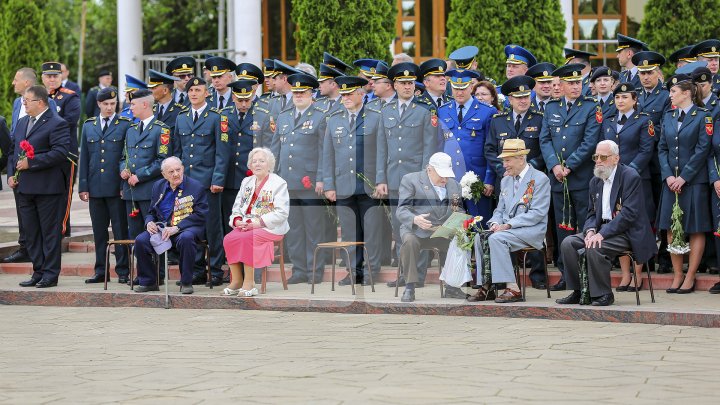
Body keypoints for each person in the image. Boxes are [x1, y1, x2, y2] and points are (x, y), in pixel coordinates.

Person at [556, 140, 656, 306]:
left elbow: (629, 215)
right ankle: (579, 290)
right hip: (602, 228)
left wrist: (601, 234)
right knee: (569, 243)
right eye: (596, 157)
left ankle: (604, 294)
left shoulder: (630, 177)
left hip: (627, 232)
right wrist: (589, 231)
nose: (598, 161)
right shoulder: (595, 181)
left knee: (595, 247)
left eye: (603, 157)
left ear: (616, 159)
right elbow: (591, 213)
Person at [376, 62, 438, 289]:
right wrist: (381, 179)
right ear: (394, 85)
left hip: (416, 179)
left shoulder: (423, 111)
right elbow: (382, 148)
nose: (407, 87)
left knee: (419, 227)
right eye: (402, 83)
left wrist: (424, 180)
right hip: (394, 179)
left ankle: (417, 275)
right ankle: (404, 274)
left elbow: (428, 147)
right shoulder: (387, 112)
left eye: (410, 83)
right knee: (399, 229)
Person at [539, 63, 600, 291]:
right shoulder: (552, 108)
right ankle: (567, 274)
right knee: (563, 228)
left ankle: (586, 274)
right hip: (558, 179)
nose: (575, 87)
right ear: (561, 85)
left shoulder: (590, 107)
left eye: (578, 82)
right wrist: (555, 165)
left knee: (585, 225)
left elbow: (590, 141)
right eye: (571, 83)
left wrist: (569, 166)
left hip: (581, 177)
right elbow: (544, 140)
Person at [484, 75, 547, 289]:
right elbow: (490, 149)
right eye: (518, 97)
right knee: (497, 226)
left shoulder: (540, 118)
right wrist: (505, 168)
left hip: (531, 175)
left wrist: (526, 168)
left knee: (525, 219)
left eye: (526, 96)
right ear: (509, 99)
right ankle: (493, 283)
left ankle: (537, 277)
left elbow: (544, 148)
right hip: (507, 177)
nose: (523, 101)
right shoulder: (498, 120)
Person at [322, 75, 384, 286]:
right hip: (343, 185)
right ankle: (353, 271)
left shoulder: (375, 117)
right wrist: (329, 185)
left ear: (361, 94)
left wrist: (380, 181)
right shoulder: (335, 119)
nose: (345, 98)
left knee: (371, 230)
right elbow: (327, 155)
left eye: (349, 94)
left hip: (368, 185)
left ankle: (370, 270)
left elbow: (382, 153)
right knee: (349, 232)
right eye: (343, 94)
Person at [9, 85, 71, 288]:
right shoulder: (22, 123)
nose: (23, 103)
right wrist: (11, 174)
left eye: (27, 100)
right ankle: (38, 271)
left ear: (41, 102)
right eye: (24, 100)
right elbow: (13, 150)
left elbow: (60, 152)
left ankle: (51, 274)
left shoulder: (57, 123)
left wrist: (31, 163)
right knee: (31, 233)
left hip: (47, 188)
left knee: (49, 233)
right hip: (24, 188)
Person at [473, 139, 551, 303]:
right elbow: (499, 210)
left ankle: (513, 288)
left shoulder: (539, 179)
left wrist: (508, 225)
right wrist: (495, 223)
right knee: (479, 237)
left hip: (531, 229)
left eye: (507, 160)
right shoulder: (506, 180)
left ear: (521, 159)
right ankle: (486, 286)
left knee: (496, 239)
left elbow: (537, 213)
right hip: (507, 229)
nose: (504, 164)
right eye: (503, 160)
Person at [271, 73, 329, 284]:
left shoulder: (320, 116)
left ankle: (314, 270)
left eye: (303, 92)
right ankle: (299, 270)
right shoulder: (284, 116)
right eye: (295, 92)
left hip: (310, 182)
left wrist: (322, 179)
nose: (298, 96)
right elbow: (275, 150)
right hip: (287, 181)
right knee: (294, 228)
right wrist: (273, 178)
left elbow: (325, 151)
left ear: (311, 93)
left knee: (314, 228)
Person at [657, 74, 712, 294]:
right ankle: (678, 274)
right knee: (672, 226)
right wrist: (669, 176)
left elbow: (702, 149)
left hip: (694, 181)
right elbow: (662, 148)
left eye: (673, 92)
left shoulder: (703, 116)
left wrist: (684, 176)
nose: (670, 95)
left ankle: (690, 275)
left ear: (687, 93)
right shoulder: (668, 116)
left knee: (696, 227)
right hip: (671, 182)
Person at [174, 76, 230, 286]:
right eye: (191, 91)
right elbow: (178, 151)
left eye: (198, 90)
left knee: (212, 227)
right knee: (190, 228)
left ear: (207, 93)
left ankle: (215, 270)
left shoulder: (217, 117)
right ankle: (196, 270)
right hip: (187, 184)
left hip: (208, 183)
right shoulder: (181, 117)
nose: (194, 94)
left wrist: (217, 179)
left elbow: (222, 153)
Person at [601, 82, 655, 291]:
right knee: (618, 224)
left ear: (634, 100)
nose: (620, 101)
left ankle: (638, 274)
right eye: (617, 98)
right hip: (613, 182)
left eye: (625, 98)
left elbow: (646, 150)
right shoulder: (608, 121)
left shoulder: (644, 121)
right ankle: (625, 274)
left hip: (637, 180)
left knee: (638, 226)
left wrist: (626, 172)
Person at [78, 87, 132, 284]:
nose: (110, 107)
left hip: (116, 187)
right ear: (99, 104)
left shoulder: (125, 124)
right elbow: (84, 157)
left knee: (120, 230)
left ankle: (123, 270)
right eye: (106, 104)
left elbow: (127, 156)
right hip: (95, 187)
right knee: (99, 231)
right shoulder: (89, 126)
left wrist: (123, 185)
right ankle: (101, 270)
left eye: (113, 104)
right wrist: (83, 186)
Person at [4, 67, 57, 264]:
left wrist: (31, 162)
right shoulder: (18, 103)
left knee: (39, 218)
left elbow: (49, 134)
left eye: (16, 79)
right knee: (22, 211)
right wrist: (11, 170)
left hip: (38, 170)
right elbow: (13, 140)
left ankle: (39, 255)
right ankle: (25, 247)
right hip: (19, 167)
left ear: (27, 83)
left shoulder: (45, 103)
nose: (12, 83)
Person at [396, 153, 465, 302]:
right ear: (429, 170)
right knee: (409, 241)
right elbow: (401, 210)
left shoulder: (454, 185)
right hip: (416, 230)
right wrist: (415, 219)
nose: (445, 179)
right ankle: (409, 286)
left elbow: (458, 210)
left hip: (441, 232)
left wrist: (458, 222)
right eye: (441, 175)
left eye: (447, 175)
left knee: (461, 240)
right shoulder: (411, 180)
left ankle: (452, 286)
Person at [134, 157, 208, 294]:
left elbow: (201, 214)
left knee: (186, 238)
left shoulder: (196, 186)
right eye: (171, 172)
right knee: (140, 240)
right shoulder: (158, 186)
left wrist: (178, 227)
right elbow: (151, 211)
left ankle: (186, 282)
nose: (175, 174)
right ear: (164, 175)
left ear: (183, 169)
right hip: (162, 229)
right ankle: (149, 281)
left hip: (186, 228)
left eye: (178, 170)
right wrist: (149, 222)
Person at [223, 147, 289, 296]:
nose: (257, 164)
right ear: (250, 165)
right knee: (229, 238)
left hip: (271, 227)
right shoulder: (246, 181)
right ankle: (237, 281)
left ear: (269, 164)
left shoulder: (279, 183)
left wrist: (257, 223)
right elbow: (237, 207)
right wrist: (238, 220)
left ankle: (250, 283)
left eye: (261, 161)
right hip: (247, 225)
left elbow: (282, 213)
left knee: (248, 238)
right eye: (254, 161)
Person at [438, 69, 496, 221]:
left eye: (463, 88)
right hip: (450, 179)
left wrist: (489, 179)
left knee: (479, 224)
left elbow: (491, 147)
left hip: (477, 179)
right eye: (456, 88)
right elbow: (439, 146)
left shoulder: (487, 111)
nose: (459, 92)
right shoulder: (443, 111)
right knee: (453, 228)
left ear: (471, 87)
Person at [119, 89, 171, 240]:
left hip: (151, 192)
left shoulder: (161, 129)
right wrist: (123, 169)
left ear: (145, 104)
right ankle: (140, 264)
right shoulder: (131, 130)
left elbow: (162, 160)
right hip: (131, 192)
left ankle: (158, 265)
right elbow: (124, 157)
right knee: (135, 237)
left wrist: (139, 176)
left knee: (155, 236)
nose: (130, 108)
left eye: (133, 104)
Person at [42, 62, 80, 238]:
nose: (51, 79)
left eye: (55, 76)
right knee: (46, 194)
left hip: (66, 154)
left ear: (61, 77)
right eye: (48, 76)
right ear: (42, 78)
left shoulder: (69, 97)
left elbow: (69, 122)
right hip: (44, 154)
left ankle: (63, 230)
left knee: (64, 194)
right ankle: (48, 230)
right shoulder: (37, 96)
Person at [148, 69, 187, 147]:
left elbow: (182, 141)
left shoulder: (181, 111)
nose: (150, 91)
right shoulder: (150, 110)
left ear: (165, 90)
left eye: (154, 88)